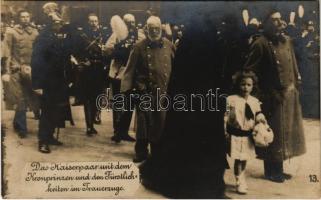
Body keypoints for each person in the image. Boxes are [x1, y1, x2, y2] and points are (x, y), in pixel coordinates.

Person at [243, 10, 306, 183]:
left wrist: (295, 85)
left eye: (280, 20)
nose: (279, 24)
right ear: (266, 23)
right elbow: (249, 72)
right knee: (272, 133)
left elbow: (293, 64)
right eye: (275, 20)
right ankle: (271, 171)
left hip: (288, 96)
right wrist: (259, 95)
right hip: (271, 97)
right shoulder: (260, 44)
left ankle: (279, 168)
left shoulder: (287, 41)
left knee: (285, 134)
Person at [120, 16, 174, 162]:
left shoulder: (169, 45)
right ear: (146, 29)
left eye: (157, 28)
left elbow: (175, 69)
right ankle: (141, 151)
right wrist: (126, 91)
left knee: (160, 123)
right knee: (143, 124)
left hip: (164, 91)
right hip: (144, 91)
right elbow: (129, 70)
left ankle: (158, 152)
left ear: (161, 28)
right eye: (151, 28)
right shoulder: (139, 47)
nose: (154, 31)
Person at [31, 16, 72, 153]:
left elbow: (66, 58)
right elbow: (36, 62)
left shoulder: (61, 37)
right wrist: (37, 85)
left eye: (60, 22)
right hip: (47, 81)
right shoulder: (42, 38)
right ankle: (43, 141)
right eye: (56, 22)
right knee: (47, 111)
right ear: (50, 23)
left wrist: (69, 77)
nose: (59, 24)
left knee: (56, 110)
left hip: (60, 81)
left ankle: (50, 135)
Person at [225, 71, 267, 194]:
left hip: (248, 135)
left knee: (244, 158)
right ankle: (239, 180)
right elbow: (226, 116)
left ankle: (241, 176)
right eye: (243, 84)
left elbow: (258, 114)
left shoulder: (254, 101)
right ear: (238, 85)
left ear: (253, 86)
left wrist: (261, 118)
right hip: (236, 134)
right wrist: (224, 130)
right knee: (238, 158)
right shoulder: (231, 99)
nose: (246, 87)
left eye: (249, 85)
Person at [105, 14, 145, 143]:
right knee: (118, 102)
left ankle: (124, 131)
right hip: (118, 72)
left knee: (129, 104)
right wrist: (119, 49)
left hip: (132, 74)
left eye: (133, 21)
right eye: (128, 22)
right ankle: (117, 131)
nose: (131, 24)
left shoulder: (139, 35)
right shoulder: (117, 34)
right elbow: (107, 48)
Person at [2, 10, 40, 138]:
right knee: (20, 98)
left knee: (30, 97)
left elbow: (38, 53)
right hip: (16, 70)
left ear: (30, 17)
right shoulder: (11, 32)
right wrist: (6, 71)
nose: (25, 19)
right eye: (22, 17)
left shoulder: (35, 32)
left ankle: (17, 122)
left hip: (30, 70)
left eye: (27, 16)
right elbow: (7, 53)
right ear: (19, 18)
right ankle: (22, 128)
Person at [70, 13, 109, 136]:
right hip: (88, 69)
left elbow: (109, 50)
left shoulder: (104, 35)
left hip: (100, 69)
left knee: (97, 96)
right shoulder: (82, 36)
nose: (94, 23)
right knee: (88, 98)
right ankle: (89, 126)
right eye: (91, 21)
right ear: (88, 22)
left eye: (96, 21)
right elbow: (75, 51)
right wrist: (82, 61)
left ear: (98, 22)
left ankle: (94, 120)